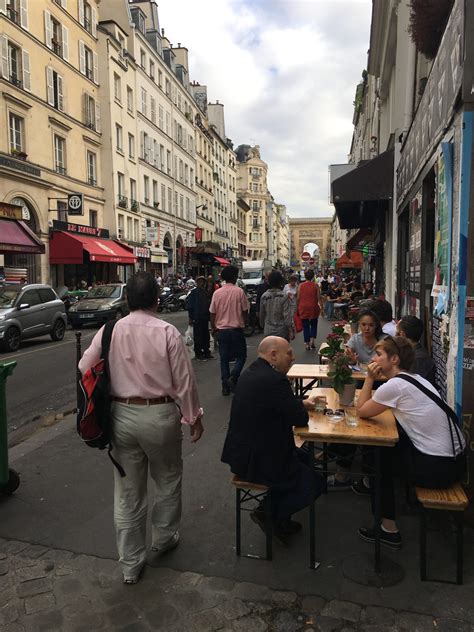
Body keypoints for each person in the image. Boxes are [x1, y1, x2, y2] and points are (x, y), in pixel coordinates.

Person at [78, 272, 204, 584]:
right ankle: (163, 537)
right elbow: (184, 382)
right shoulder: (167, 332)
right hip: (160, 415)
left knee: (127, 492)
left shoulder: (109, 330)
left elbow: (84, 367)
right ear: (156, 300)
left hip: (121, 415)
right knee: (168, 478)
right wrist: (194, 417)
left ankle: (130, 563)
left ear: (127, 300)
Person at [356, 336, 465, 549]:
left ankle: (388, 529)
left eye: (379, 355)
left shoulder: (395, 385)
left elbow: (362, 411)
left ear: (394, 359)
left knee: (378, 460)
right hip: (455, 461)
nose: (374, 358)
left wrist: (369, 378)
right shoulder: (415, 378)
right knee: (387, 449)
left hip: (438, 469)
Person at [221, 336, 324, 542]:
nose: (293, 358)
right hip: (260, 460)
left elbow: (274, 403)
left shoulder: (252, 372)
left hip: (242, 453)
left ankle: (276, 515)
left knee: (306, 459)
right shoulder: (276, 380)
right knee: (316, 483)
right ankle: (270, 513)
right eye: (289, 354)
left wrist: (301, 401)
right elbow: (300, 418)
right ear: (274, 355)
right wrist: (301, 406)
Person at [210, 265, 249, 396]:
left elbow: (212, 313)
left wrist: (213, 327)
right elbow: (245, 310)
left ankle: (225, 386)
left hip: (222, 331)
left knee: (224, 358)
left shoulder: (217, 293)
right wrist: (244, 322)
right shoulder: (239, 292)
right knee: (241, 356)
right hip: (236, 329)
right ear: (234, 277)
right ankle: (233, 377)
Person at [396, 315, 437, 386]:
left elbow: (409, 385)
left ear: (402, 334)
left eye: (397, 333)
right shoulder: (412, 354)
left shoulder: (418, 358)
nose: (395, 336)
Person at [260, 271, 294, 341]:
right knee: (282, 351)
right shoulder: (284, 296)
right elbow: (287, 316)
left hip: (268, 331)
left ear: (269, 282)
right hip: (282, 332)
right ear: (281, 282)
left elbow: (262, 315)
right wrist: (291, 330)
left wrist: (263, 326)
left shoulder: (264, 296)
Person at [187, 276, 213, 361]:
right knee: (198, 336)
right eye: (200, 281)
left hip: (204, 317)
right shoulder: (193, 293)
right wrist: (191, 318)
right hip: (197, 317)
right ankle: (198, 353)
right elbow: (190, 306)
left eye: (203, 282)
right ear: (197, 283)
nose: (201, 283)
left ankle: (206, 352)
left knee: (206, 335)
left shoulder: (205, 292)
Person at [296, 269, 323, 351]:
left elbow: (298, 298)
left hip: (303, 307)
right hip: (313, 307)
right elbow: (319, 298)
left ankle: (307, 344)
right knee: (314, 324)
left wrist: (297, 307)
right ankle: (312, 341)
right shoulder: (315, 286)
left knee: (305, 326)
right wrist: (322, 308)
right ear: (313, 276)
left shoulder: (300, 285)